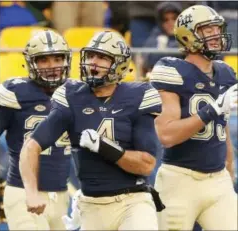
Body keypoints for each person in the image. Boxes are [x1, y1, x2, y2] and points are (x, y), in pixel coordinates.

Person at [19, 31, 165, 230]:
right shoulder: (71, 97)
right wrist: (31, 191)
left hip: (133, 201)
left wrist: (104, 147)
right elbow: (31, 146)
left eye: (102, 57)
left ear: (119, 63)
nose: (93, 62)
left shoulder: (139, 95)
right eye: (90, 56)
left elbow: (146, 165)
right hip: (91, 204)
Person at [150, 5, 238, 231]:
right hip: (180, 181)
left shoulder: (225, 73)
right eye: (207, 30)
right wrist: (210, 110)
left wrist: (228, 169)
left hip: (217, 181)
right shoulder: (172, 70)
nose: (216, 35)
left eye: (217, 29)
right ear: (188, 35)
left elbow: (223, 126)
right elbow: (166, 135)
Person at [0, 29, 72, 230]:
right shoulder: (16, 92)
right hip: (22, 193)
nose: (52, 66)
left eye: (58, 59)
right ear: (31, 63)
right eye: (44, 60)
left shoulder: (76, 93)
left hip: (61, 195)